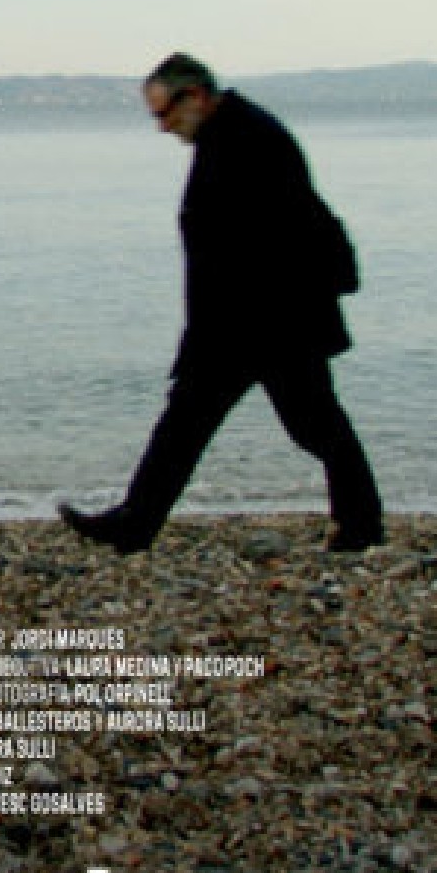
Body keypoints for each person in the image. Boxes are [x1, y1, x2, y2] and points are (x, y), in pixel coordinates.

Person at [59, 53, 385, 555]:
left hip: (265, 320)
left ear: (194, 95)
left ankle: (361, 523)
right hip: (254, 318)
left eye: (164, 113)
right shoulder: (230, 134)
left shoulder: (248, 137)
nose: (162, 127)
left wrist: (223, 324)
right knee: (214, 422)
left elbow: (280, 233)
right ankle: (136, 523)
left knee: (301, 423)